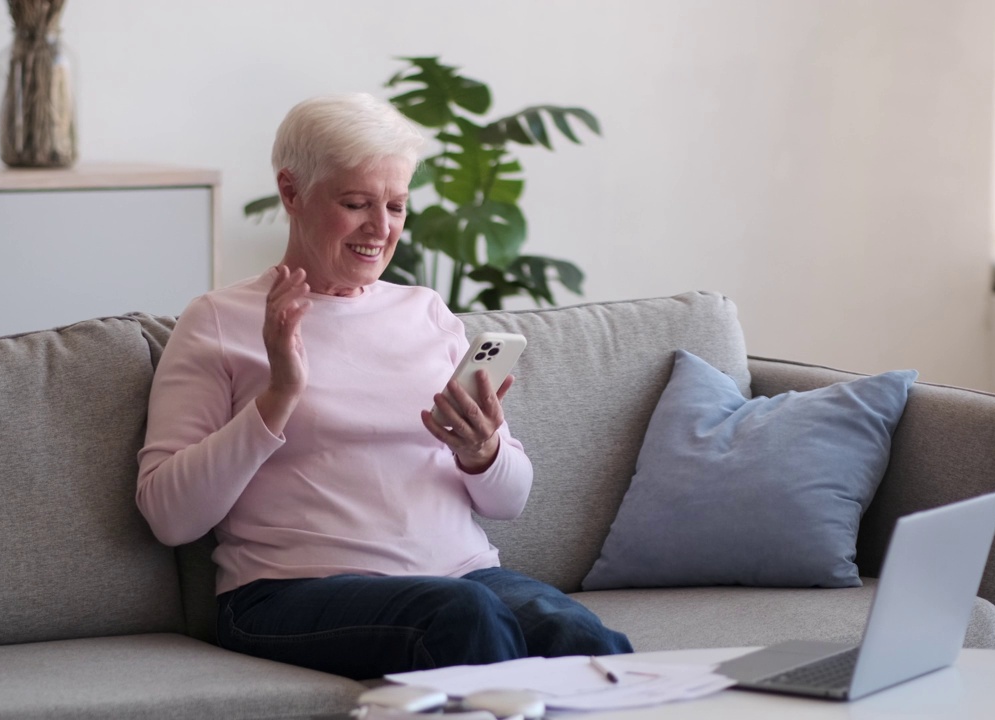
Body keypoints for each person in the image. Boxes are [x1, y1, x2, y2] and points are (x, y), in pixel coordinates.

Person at [135, 93, 631, 680]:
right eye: (356, 203)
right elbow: (169, 515)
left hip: (463, 574)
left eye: (396, 205)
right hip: (288, 593)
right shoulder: (219, 319)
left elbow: (511, 499)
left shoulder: (426, 313)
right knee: (461, 616)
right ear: (291, 192)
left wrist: (483, 454)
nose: (381, 228)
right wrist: (278, 397)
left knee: (580, 634)